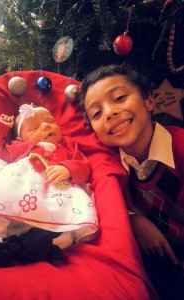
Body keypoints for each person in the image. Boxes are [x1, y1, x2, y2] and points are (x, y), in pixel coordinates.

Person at [77, 63, 184, 300]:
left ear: (149, 101)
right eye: (97, 113)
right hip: (159, 265)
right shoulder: (110, 165)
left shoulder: (180, 147)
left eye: (119, 98)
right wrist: (134, 218)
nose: (109, 113)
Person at [0, 104, 98, 267]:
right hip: (19, 187)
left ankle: (46, 245)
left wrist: (68, 169)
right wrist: (1, 126)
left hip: (53, 195)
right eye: (34, 128)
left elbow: (83, 166)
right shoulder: (19, 148)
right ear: (20, 138)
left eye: (49, 121)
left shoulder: (67, 147)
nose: (45, 126)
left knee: (69, 219)